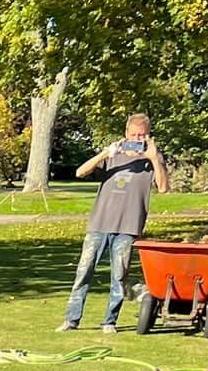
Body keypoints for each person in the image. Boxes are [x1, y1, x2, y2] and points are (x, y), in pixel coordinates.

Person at [61, 114, 171, 333]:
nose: (137, 139)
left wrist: (154, 157)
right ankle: (71, 320)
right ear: (126, 134)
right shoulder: (112, 157)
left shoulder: (151, 161)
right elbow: (80, 172)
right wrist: (105, 152)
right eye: (133, 135)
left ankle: (109, 321)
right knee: (84, 272)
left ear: (148, 135)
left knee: (119, 277)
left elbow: (164, 187)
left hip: (128, 227)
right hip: (99, 224)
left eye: (142, 135)